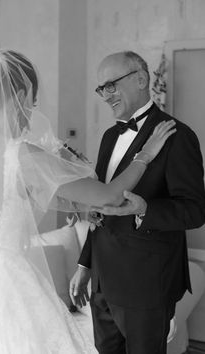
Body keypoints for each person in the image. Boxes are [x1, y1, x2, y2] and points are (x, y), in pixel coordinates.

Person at [0, 48, 175, 354]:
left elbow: (47, 198)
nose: (33, 109)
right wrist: (144, 155)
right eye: (33, 101)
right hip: (9, 287)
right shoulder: (20, 155)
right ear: (23, 95)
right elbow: (108, 194)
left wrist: (83, 206)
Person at [70, 51, 205, 354]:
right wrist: (85, 264)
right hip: (102, 284)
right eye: (101, 89)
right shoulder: (107, 137)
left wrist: (145, 209)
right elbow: (102, 209)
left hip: (146, 286)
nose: (105, 96)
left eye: (111, 86)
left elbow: (195, 210)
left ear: (141, 79)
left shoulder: (177, 136)